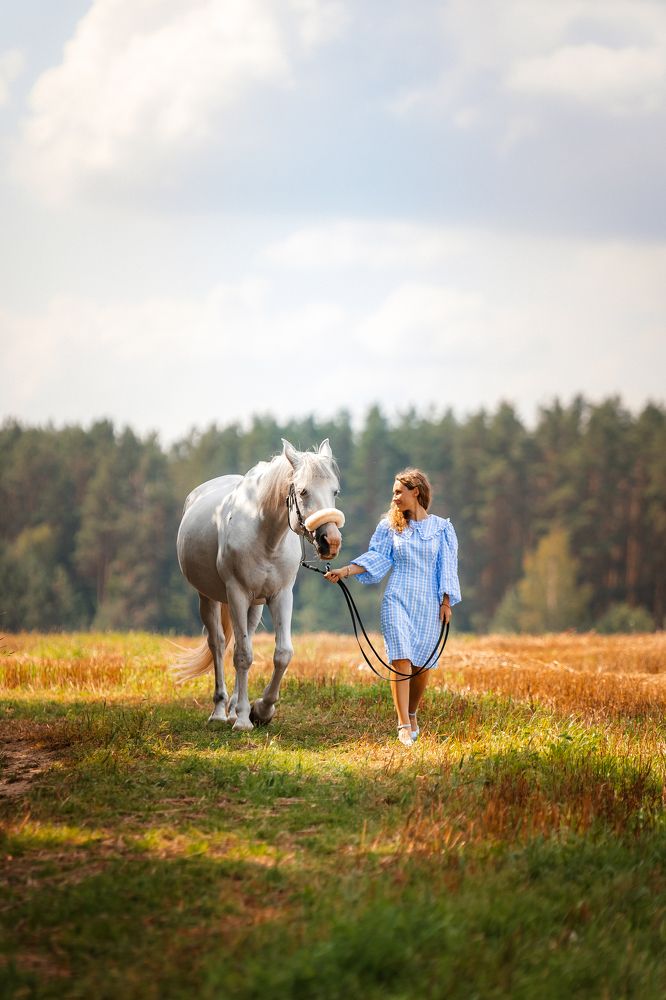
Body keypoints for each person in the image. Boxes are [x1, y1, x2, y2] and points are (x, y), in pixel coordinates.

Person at [324, 469, 461, 746]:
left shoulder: (442, 529)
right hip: (397, 598)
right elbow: (377, 558)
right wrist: (345, 571)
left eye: (399, 492)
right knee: (401, 658)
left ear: (416, 491)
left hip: (428, 603)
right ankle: (403, 725)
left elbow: (447, 567)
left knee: (422, 664)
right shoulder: (390, 527)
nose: (394, 497)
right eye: (393, 492)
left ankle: (412, 713)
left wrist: (446, 602)